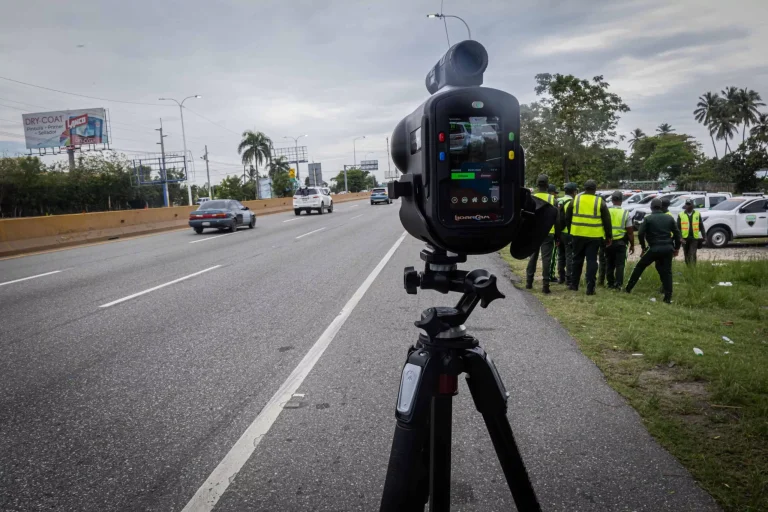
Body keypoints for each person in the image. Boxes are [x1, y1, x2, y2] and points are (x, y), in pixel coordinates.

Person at [625, 198, 682, 303]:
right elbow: (678, 235)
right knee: (667, 272)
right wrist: (676, 248)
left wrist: (643, 247)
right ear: (661, 207)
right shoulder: (669, 218)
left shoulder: (648, 218)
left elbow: (640, 233)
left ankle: (628, 289)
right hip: (668, 248)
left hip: (654, 248)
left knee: (640, 266)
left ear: (651, 207)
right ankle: (667, 298)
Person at [565, 180, 613, 295]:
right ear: (595, 189)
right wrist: (608, 236)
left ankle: (574, 285)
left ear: (584, 188)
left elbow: (567, 217)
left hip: (577, 234)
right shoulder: (599, 201)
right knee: (592, 261)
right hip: (594, 236)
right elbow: (607, 220)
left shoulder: (575, 200)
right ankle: (590, 288)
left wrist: (571, 230)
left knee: (577, 259)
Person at [526, 174, 560, 294]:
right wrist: (558, 236)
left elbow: (527, 216)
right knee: (546, 259)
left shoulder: (532, 198)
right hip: (548, 233)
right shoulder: (553, 199)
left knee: (533, 257)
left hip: (534, 232)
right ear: (547, 185)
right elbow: (557, 220)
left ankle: (529, 282)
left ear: (537, 185)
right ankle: (545, 285)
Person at [605, 191, 635, 289]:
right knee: (620, 264)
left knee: (609, 263)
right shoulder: (626, 213)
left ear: (612, 200)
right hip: (621, 242)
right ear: (621, 201)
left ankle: (610, 283)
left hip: (608, 241)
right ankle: (618, 284)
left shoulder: (607, 211)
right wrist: (632, 245)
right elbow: (630, 231)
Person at [557, 183, 577, 286]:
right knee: (569, 255)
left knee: (560, 255)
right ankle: (569, 278)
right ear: (574, 192)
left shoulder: (559, 200)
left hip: (559, 232)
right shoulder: (572, 202)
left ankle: (561, 277)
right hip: (568, 232)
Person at [677, 198, 705, 265]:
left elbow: (701, 226)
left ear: (692, 205)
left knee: (692, 253)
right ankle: (688, 267)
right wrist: (680, 238)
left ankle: (693, 267)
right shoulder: (680, 214)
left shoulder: (697, 214)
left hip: (694, 238)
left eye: (689, 204)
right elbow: (678, 228)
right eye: (687, 204)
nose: (688, 206)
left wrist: (704, 236)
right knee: (686, 254)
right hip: (684, 238)